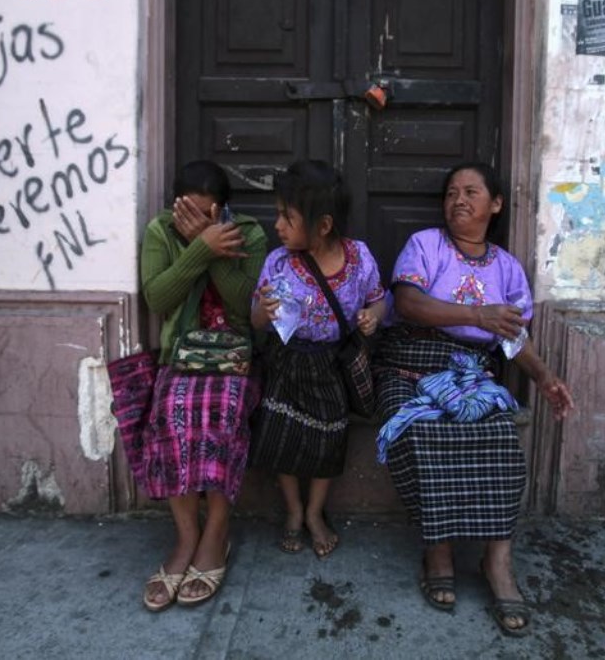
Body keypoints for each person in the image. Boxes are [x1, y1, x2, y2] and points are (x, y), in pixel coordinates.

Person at [373, 162, 574, 636]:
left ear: (495, 204)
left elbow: (512, 336)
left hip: (467, 371)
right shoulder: (425, 245)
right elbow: (407, 304)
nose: (458, 200)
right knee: (418, 428)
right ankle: (437, 548)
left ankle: (497, 561)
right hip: (408, 361)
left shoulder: (506, 268)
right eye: (450, 193)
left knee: (500, 432)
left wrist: (545, 376)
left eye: (471, 192)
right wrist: (476, 314)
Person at [131, 160, 267, 611]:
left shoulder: (248, 234)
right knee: (169, 413)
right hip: (182, 357)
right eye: (188, 214)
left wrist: (208, 248)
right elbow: (158, 298)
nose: (198, 222)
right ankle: (186, 538)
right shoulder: (158, 232)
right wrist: (197, 248)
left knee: (223, 416)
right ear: (175, 207)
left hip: (234, 357)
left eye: (209, 215)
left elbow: (248, 305)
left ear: (223, 209)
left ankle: (216, 534)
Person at [250, 159, 387, 559]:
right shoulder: (278, 262)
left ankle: (314, 513)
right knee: (282, 437)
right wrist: (264, 309)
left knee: (328, 440)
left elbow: (380, 300)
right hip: (287, 361)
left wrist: (371, 318)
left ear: (323, 225)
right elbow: (256, 319)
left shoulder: (359, 258)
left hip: (331, 364)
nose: (277, 225)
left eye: (286, 217)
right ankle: (293, 510)